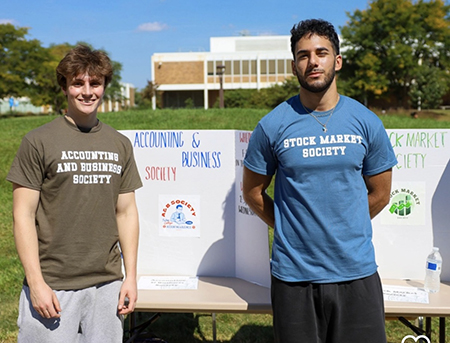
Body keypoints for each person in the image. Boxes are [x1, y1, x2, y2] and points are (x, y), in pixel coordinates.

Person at [243, 19, 397, 343]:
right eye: (303, 55)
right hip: (294, 278)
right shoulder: (272, 126)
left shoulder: (366, 122)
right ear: (294, 66)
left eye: (321, 52)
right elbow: (253, 191)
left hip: (357, 274)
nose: (312, 61)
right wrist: (291, 226)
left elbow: (381, 194)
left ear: (337, 61)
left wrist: (344, 224)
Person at [7, 45, 142, 343]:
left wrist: (130, 276)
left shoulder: (119, 144)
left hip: (106, 284)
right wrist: (36, 282)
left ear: (105, 86)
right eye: (78, 83)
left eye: (95, 83)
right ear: (65, 87)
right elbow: (23, 215)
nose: (87, 91)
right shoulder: (38, 141)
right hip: (53, 285)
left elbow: (127, 212)